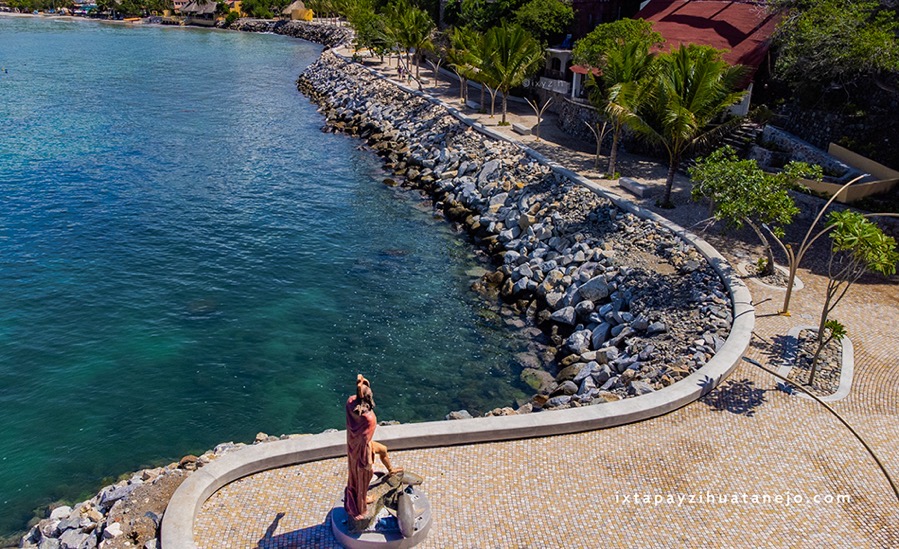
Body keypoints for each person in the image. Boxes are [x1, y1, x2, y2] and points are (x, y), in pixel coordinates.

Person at [344, 374, 397, 520]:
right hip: (363, 451)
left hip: (353, 445)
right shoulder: (369, 418)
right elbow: (366, 442)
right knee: (364, 477)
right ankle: (361, 503)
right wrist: (368, 462)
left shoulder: (349, 403)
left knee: (383, 450)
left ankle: (391, 471)